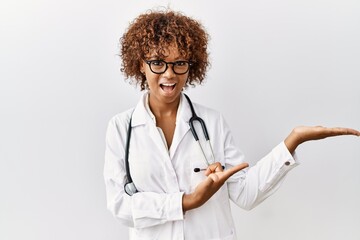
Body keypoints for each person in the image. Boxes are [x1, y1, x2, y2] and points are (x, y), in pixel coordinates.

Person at [104, 10, 359, 240]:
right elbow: (120, 206)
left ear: (190, 67)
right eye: (158, 62)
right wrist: (187, 201)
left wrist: (293, 140)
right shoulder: (120, 128)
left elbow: (246, 195)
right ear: (140, 64)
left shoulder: (212, 123)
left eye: (180, 63)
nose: (169, 74)